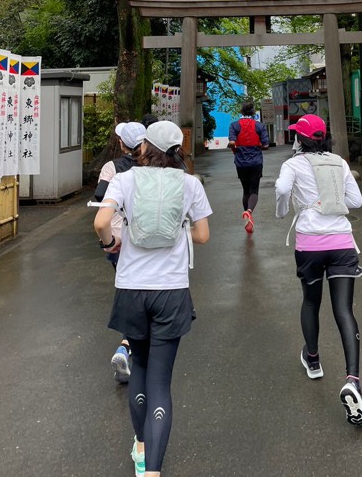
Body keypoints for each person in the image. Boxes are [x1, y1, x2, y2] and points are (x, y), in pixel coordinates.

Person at [94, 121, 212, 477]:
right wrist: (180, 230)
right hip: (171, 291)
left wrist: (110, 243)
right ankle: (153, 472)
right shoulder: (190, 183)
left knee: (140, 370)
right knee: (160, 382)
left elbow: (102, 221)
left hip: (131, 288)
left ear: (145, 147)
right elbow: (203, 235)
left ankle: (141, 447)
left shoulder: (125, 179)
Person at [275, 114, 362, 427]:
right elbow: (355, 200)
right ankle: (353, 380)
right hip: (342, 243)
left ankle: (313, 360)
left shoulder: (293, 165)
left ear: (300, 139)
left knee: (311, 301)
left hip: (310, 246)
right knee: (344, 309)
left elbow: (281, 191)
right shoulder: (339, 163)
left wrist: (288, 207)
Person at [95, 121, 146, 383]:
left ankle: (126, 346)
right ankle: (129, 347)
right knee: (141, 295)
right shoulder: (154, 166)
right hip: (148, 238)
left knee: (129, 293)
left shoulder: (112, 167)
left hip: (117, 238)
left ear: (122, 143)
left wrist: (106, 241)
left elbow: (100, 196)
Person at [228, 99, 269, 233]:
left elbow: (232, 142)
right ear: (252, 112)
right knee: (254, 190)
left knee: (245, 190)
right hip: (256, 162)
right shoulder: (259, 126)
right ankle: (249, 212)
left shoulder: (234, 125)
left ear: (241, 111)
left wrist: (236, 147)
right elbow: (266, 145)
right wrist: (257, 146)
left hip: (240, 162)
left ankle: (247, 218)